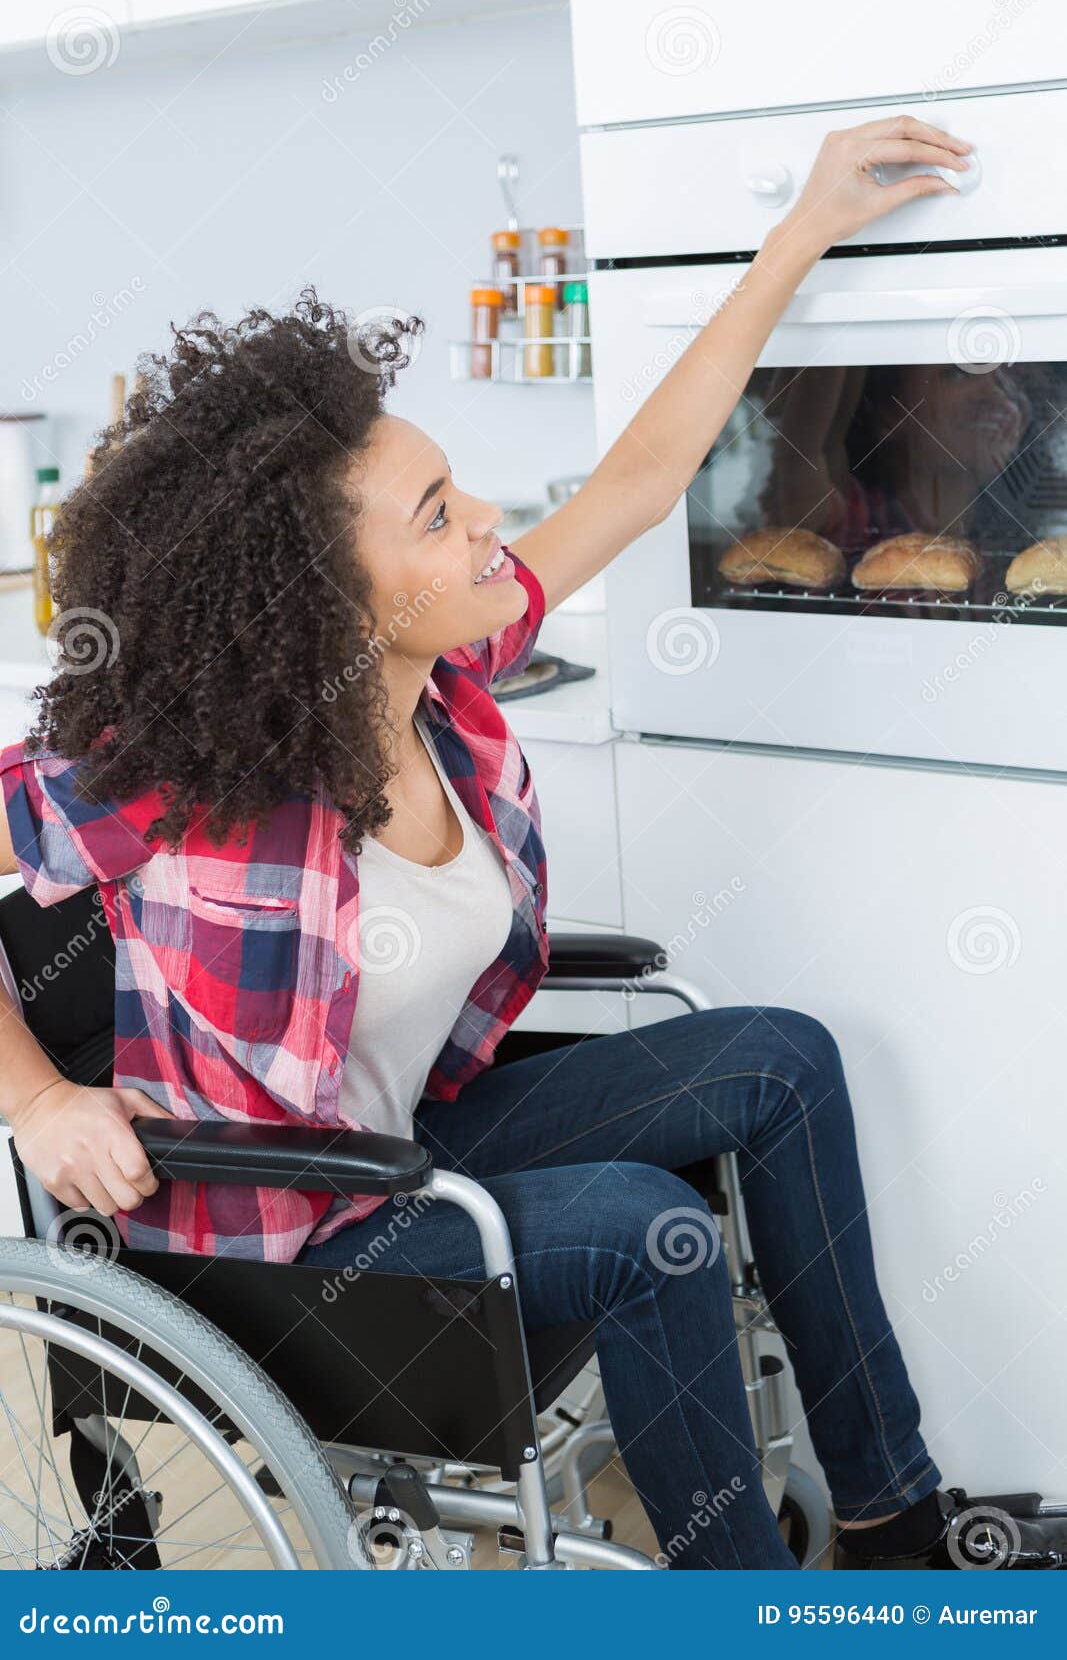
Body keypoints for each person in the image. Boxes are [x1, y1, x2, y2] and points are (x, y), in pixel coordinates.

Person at [2, 115, 1060, 1569]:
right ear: (329, 600)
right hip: (290, 1234)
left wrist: (799, 233)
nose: (489, 519)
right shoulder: (181, 773)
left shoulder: (443, 678)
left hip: (412, 1143)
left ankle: (892, 1518)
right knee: (643, 1228)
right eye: (439, 514)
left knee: (781, 1058)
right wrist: (43, 1101)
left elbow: (635, 480)